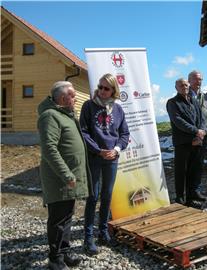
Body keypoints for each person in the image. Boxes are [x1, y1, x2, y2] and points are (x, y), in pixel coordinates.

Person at [38, 81, 92, 270]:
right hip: (60, 180)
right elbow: (49, 149)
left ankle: (65, 252)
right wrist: (67, 175)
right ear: (63, 98)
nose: (76, 99)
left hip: (69, 178)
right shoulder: (50, 116)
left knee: (67, 217)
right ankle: (55, 259)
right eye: (74, 95)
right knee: (58, 220)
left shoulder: (66, 115)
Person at [80, 73, 130, 255]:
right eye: (99, 87)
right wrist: (98, 150)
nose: (101, 91)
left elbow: (124, 134)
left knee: (107, 195)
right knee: (92, 197)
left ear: (113, 90)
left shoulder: (118, 110)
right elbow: (84, 132)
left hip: (112, 158)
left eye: (106, 88)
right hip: (94, 157)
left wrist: (116, 149)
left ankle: (103, 233)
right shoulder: (88, 106)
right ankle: (88, 238)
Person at [166, 78, 207, 206]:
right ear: (176, 88)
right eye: (181, 85)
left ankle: (190, 198)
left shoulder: (193, 100)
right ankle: (179, 198)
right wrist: (196, 132)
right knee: (181, 172)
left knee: (193, 171)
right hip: (183, 143)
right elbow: (178, 121)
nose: (184, 87)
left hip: (197, 141)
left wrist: (201, 133)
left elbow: (202, 117)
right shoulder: (172, 102)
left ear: (189, 86)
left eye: (186, 85)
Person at [188, 70, 207, 200]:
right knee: (189, 165)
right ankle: (188, 192)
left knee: (198, 165)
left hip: (203, 137)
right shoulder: (185, 96)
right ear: (189, 80)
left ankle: (196, 191)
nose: (199, 82)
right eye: (196, 79)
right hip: (190, 137)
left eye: (200, 79)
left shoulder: (206, 97)